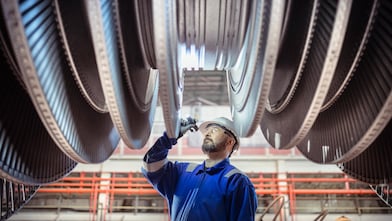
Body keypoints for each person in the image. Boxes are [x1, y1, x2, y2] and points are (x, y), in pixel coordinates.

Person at [142, 117, 258, 221]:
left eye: (214, 131)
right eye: (207, 132)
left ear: (230, 141)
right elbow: (151, 164)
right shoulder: (183, 172)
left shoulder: (236, 181)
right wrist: (169, 137)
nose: (207, 134)